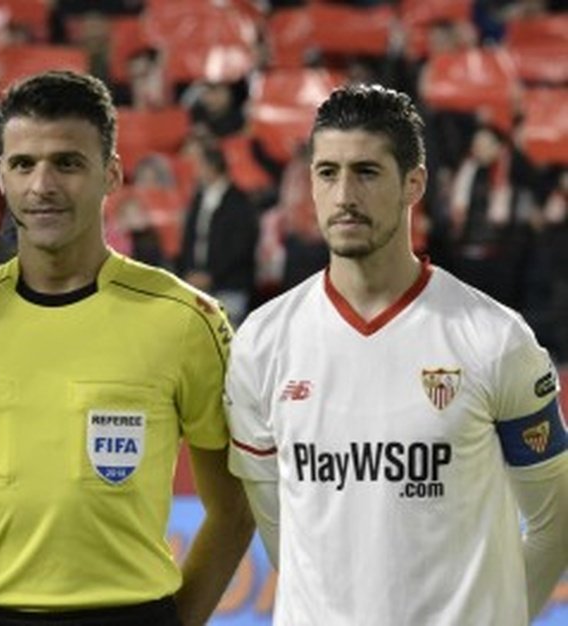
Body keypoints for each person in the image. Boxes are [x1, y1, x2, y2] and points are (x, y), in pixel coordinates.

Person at [0, 70, 255, 626]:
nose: (42, 185)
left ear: (112, 174)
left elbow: (233, 508)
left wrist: (177, 620)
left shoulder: (185, 321)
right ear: (1, 176)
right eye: (23, 164)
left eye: (67, 163)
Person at [225, 83, 568, 625]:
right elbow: (281, 529)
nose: (343, 196)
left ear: (414, 184)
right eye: (327, 173)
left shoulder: (494, 338)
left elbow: (557, 522)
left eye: (366, 172)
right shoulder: (261, 344)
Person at [176, 141, 260, 326]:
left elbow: (241, 247)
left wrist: (211, 275)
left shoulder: (239, 202)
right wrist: (190, 273)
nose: (194, 170)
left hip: (229, 287)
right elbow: (190, 239)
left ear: (211, 166)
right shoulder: (199, 198)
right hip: (197, 286)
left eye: (198, 164)